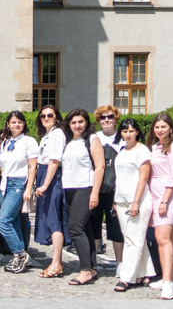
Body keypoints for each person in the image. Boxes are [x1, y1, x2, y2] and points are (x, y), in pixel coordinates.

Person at [60, 108, 106, 286]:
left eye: (80, 122)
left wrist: (94, 192)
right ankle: (92, 267)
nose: (77, 125)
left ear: (86, 123)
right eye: (73, 122)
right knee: (86, 229)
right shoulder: (68, 141)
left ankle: (85, 270)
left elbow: (100, 167)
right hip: (69, 188)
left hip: (85, 188)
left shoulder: (92, 139)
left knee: (75, 228)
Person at [111, 118, 154, 292]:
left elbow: (143, 178)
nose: (128, 134)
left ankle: (126, 278)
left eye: (131, 131)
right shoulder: (122, 150)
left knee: (133, 240)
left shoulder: (142, 150)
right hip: (121, 200)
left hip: (138, 201)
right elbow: (119, 178)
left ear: (137, 132)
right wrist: (115, 199)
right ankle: (146, 272)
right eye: (124, 131)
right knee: (132, 238)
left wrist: (136, 202)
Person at [0, 110, 39, 273]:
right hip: (5, 184)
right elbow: (2, 168)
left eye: (19, 122)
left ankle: (19, 253)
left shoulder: (29, 141)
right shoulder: (6, 142)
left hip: (19, 183)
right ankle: (20, 256)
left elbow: (33, 167)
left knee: (2, 221)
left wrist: (28, 188)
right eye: (13, 122)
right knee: (12, 222)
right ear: (8, 124)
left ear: (24, 124)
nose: (16, 124)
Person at [148, 113, 173, 300]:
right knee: (171, 237)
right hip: (156, 196)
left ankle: (167, 282)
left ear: (171, 128)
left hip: (168, 197)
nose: (160, 130)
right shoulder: (155, 147)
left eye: (163, 126)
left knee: (161, 238)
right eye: (157, 127)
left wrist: (164, 200)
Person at [32, 104, 68, 278]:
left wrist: (45, 184)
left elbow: (54, 160)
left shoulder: (58, 134)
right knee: (49, 218)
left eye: (50, 115)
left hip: (51, 177)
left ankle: (56, 263)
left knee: (54, 220)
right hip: (43, 173)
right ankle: (56, 262)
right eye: (43, 115)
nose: (46, 118)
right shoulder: (47, 135)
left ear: (56, 117)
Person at [91, 105, 126, 269]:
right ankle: (93, 261)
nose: (106, 120)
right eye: (103, 117)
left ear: (115, 119)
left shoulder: (123, 138)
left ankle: (120, 262)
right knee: (94, 223)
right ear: (98, 120)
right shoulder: (93, 138)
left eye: (110, 117)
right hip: (96, 188)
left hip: (115, 190)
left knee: (116, 227)